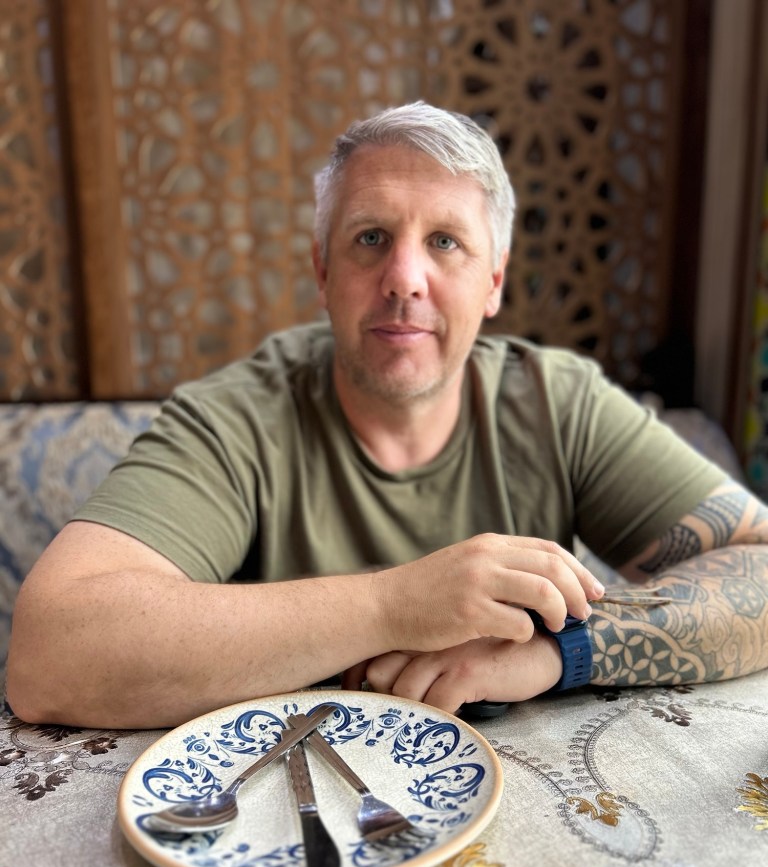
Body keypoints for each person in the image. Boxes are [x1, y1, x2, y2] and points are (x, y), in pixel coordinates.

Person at [7, 102, 768, 730]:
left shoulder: (558, 402)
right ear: (323, 270)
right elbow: (48, 658)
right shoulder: (235, 419)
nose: (405, 278)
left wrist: (554, 653)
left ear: (493, 281)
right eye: (371, 238)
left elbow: (759, 561)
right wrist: (396, 605)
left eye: (445, 242)